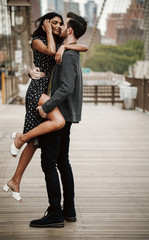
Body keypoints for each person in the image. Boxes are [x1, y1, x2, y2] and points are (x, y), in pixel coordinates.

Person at [2, 12, 88, 202]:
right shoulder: (39, 40)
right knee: (56, 124)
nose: (58, 26)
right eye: (54, 23)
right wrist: (29, 71)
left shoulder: (61, 45)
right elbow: (49, 52)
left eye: (61, 24)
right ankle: (20, 139)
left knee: (35, 141)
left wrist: (64, 45)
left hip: (47, 93)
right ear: (45, 24)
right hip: (38, 91)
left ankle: (15, 179)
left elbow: (84, 46)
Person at [29, 12, 87, 228]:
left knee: (49, 162)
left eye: (64, 26)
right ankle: (68, 210)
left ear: (69, 31)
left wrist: (47, 106)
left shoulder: (68, 55)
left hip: (59, 115)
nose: (60, 28)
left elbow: (66, 87)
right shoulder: (69, 51)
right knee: (62, 162)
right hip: (66, 114)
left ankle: (55, 213)